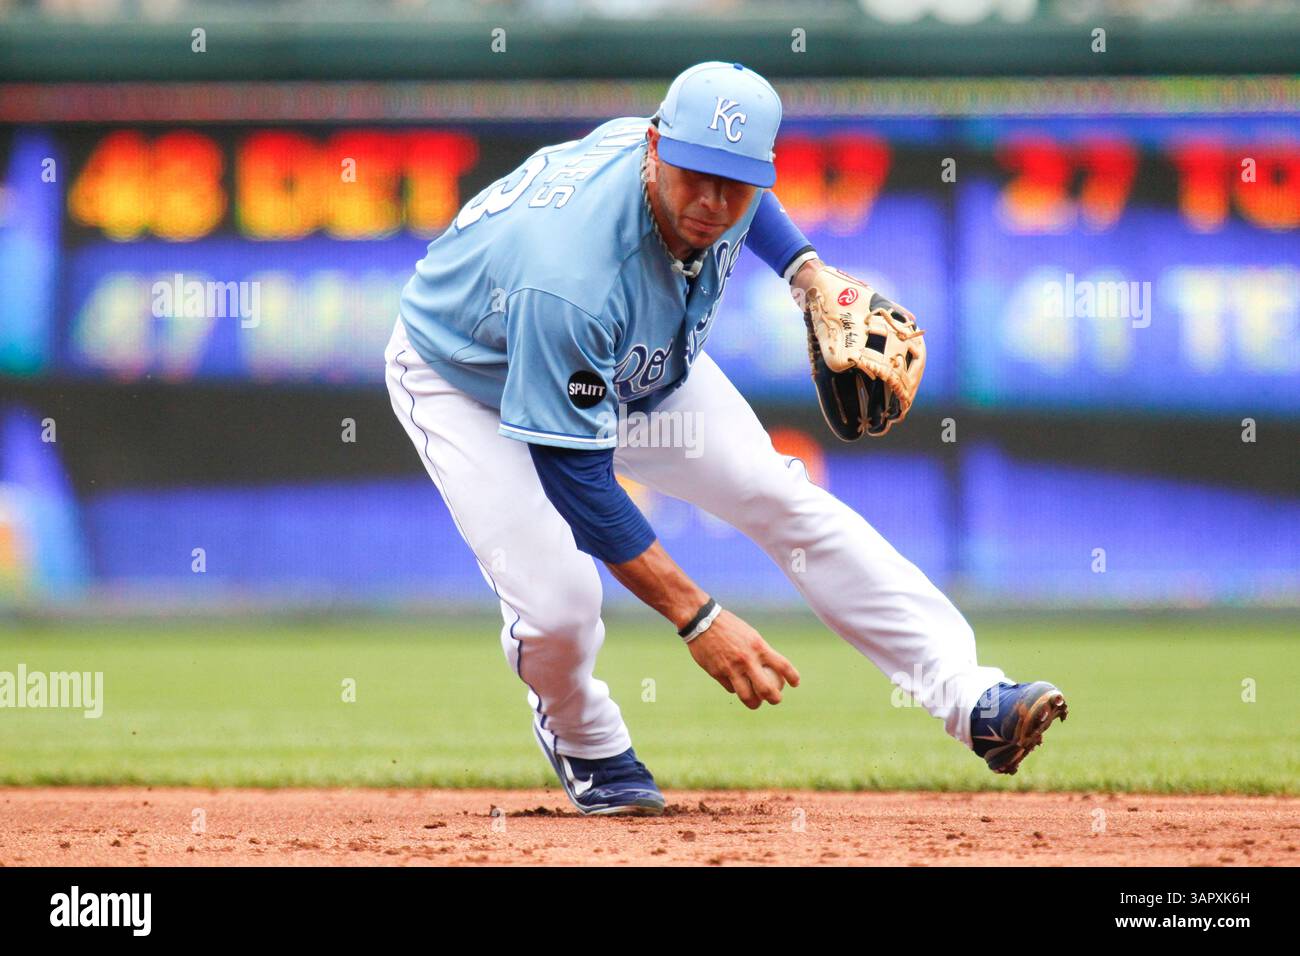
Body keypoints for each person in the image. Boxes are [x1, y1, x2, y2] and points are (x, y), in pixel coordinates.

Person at [384, 61, 1066, 815]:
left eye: (735, 182)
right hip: (469, 381)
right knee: (559, 607)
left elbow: (745, 200)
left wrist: (808, 274)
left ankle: (973, 698)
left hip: (633, 368)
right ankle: (584, 739)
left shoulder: (714, 183)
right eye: (694, 175)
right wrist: (698, 617)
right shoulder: (570, 275)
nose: (712, 202)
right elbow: (578, 478)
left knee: (781, 496)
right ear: (653, 148)